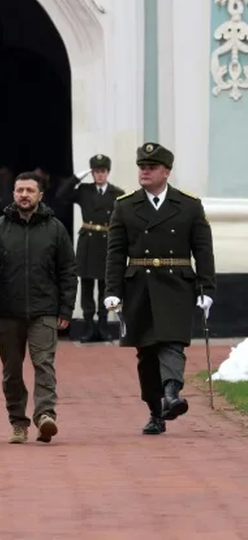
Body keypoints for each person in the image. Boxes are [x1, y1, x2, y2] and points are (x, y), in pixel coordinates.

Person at [104, 143, 215, 436]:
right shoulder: (125, 206)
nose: (145, 171)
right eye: (142, 167)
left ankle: (172, 394)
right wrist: (112, 291)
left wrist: (207, 289)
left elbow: (203, 250)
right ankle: (156, 411)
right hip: (139, 287)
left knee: (172, 342)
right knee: (147, 353)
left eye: (151, 167)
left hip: (177, 285)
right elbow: (115, 253)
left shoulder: (189, 206)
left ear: (166, 171)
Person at [0, 171, 77, 444]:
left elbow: (68, 270)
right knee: (12, 371)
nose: (24, 195)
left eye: (30, 190)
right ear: (13, 194)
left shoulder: (55, 228)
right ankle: (18, 422)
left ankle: (45, 416)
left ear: (40, 195)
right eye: (20, 190)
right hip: (8, 310)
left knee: (44, 364)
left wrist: (66, 309)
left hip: (45, 309)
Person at [56, 154, 125, 342]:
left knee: (105, 286)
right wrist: (77, 178)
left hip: (107, 242)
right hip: (88, 242)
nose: (100, 175)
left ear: (108, 173)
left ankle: (103, 326)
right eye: (96, 171)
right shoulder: (84, 190)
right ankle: (88, 327)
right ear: (92, 173)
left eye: (103, 171)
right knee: (86, 286)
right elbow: (61, 195)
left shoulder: (117, 193)